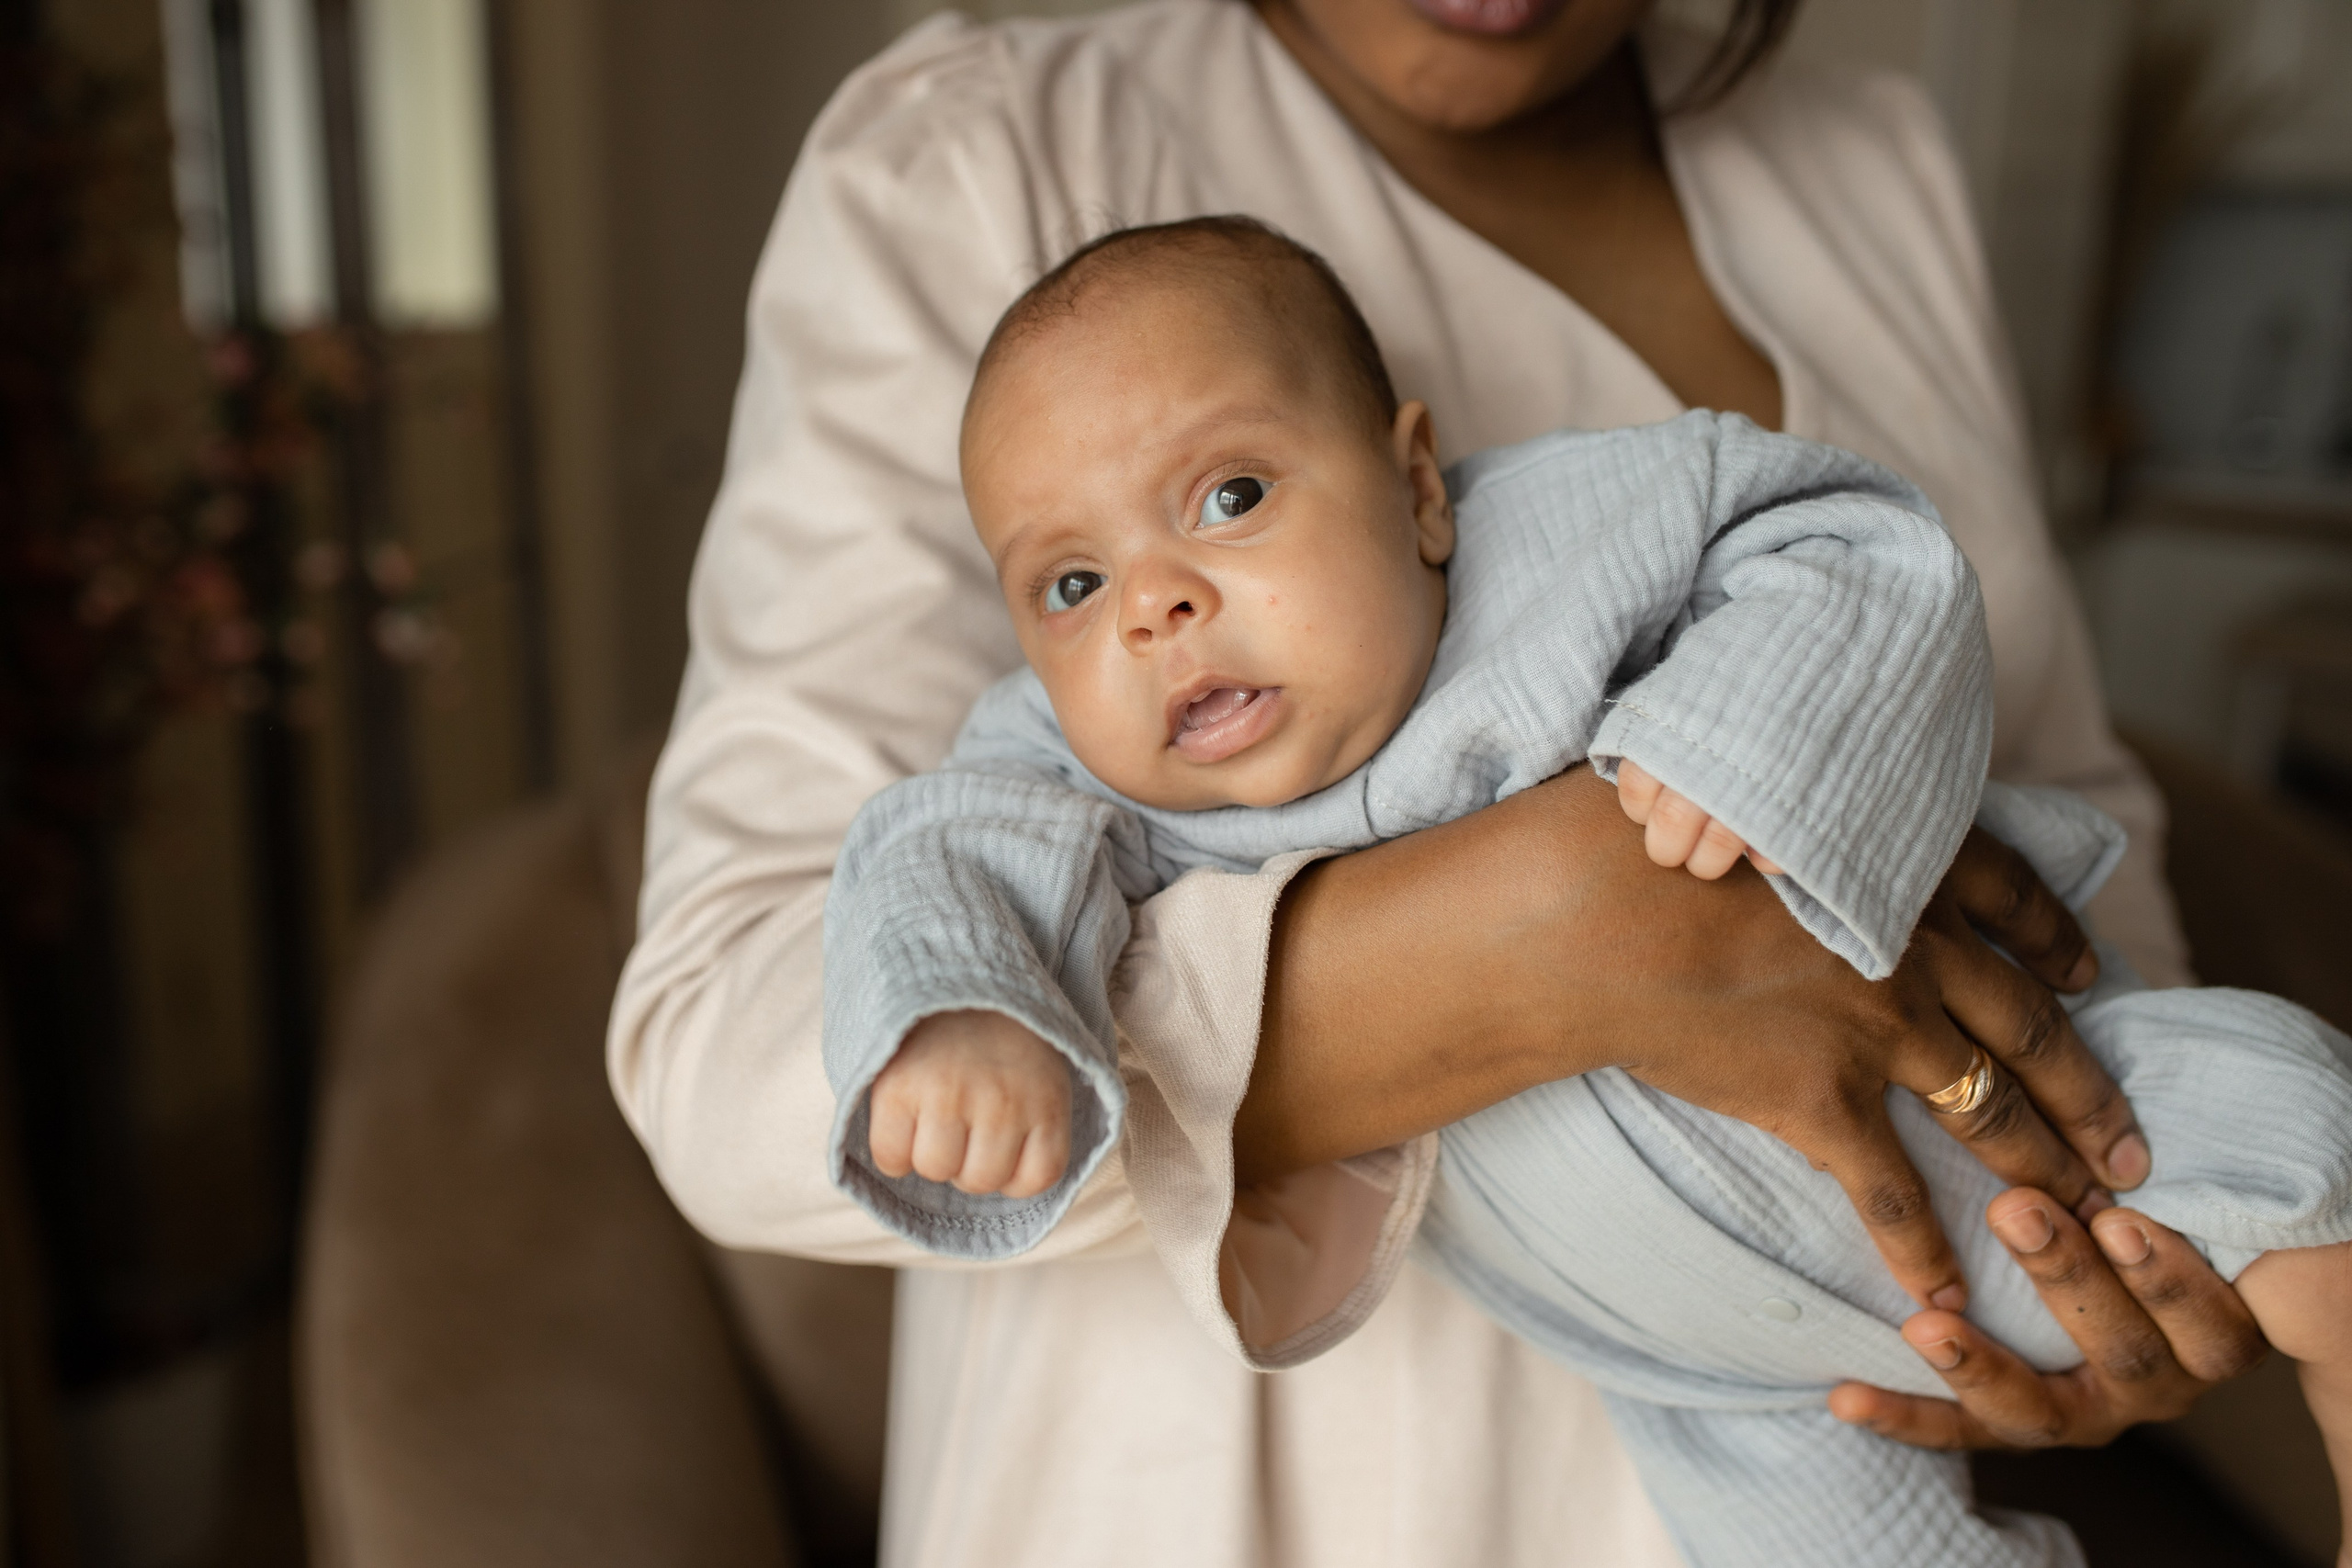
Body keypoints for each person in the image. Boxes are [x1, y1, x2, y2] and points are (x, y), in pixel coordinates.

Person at [607, 3, 2273, 1562]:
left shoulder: (1865, 156)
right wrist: (1578, 923)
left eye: (1238, 498)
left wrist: (2131, 1227)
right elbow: (725, 1044)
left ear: (1418, 482)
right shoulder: (978, 153)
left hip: (1834, 1408)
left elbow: (2064, 790)